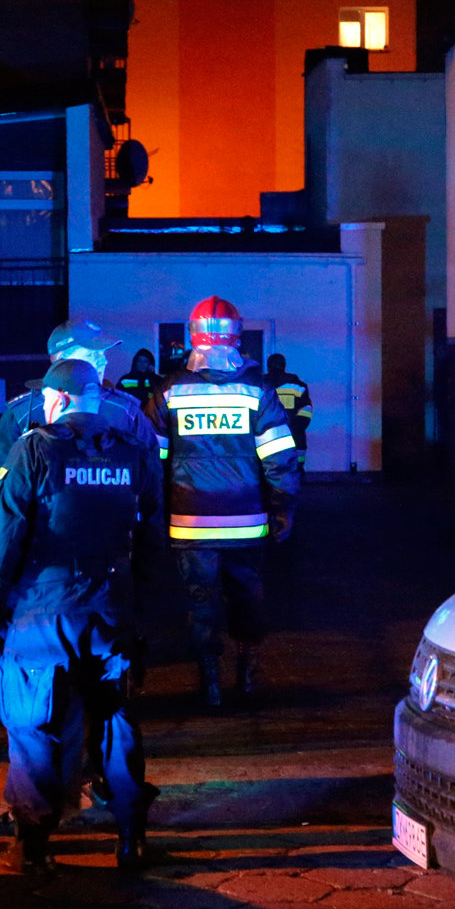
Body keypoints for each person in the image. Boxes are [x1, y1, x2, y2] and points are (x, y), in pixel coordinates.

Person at [0, 358, 163, 874]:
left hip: (44, 613)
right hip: (112, 611)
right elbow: (152, 538)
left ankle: (32, 846)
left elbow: (3, 536)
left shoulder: (35, 448)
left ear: (55, 401)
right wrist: (141, 609)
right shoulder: (134, 453)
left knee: (34, 724)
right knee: (116, 722)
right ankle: (132, 839)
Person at [145, 297, 300, 708]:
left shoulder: (168, 392)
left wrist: (153, 517)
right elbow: (280, 458)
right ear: (237, 335)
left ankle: (210, 681)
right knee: (248, 595)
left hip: (189, 521)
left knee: (200, 601)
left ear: (192, 337)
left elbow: (151, 463)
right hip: (247, 521)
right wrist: (284, 508)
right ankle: (247, 673)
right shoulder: (258, 391)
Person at [0, 318, 157, 492]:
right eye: (92, 354)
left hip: (113, 519)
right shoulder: (23, 413)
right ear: (62, 360)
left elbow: (152, 471)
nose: (104, 361)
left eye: (103, 354)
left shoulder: (125, 411)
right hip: (46, 520)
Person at [263, 353, 313, 473]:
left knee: (268, 472)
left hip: (266, 436)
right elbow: (306, 410)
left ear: (268, 366)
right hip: (294, 436)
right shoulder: (298, 386)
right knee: (295, 470)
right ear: (284, 366)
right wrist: (295, 428)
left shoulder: (259, 385)